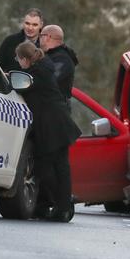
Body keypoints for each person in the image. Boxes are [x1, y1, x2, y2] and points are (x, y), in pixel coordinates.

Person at [15, 41, 81, 222]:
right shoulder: (43, 69)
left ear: (25, 59)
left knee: (48, 168)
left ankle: (63, 206)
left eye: (18, 59)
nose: (18, 62)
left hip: (52, 125)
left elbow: (23, 85)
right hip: (58, 123)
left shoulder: (38, 73)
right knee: (59, 167)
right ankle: (63, 207)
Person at [39, 25, 78, 108]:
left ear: (48, 37)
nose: (39, 39)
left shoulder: (63, 59)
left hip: (54, 112)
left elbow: (47, 80)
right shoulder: (48, 56)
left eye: (41, 36)